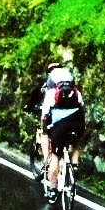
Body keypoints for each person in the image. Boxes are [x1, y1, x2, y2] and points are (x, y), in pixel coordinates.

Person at [40, 62, 85, 202]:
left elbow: (44, 116)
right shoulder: (76, 92)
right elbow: (81, 106)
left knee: (56, 156)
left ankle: (52, 189)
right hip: (78, 124)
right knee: (75, 143)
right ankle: (74, 166)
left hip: (60, 127)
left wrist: (45, 130)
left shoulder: (51, 93)